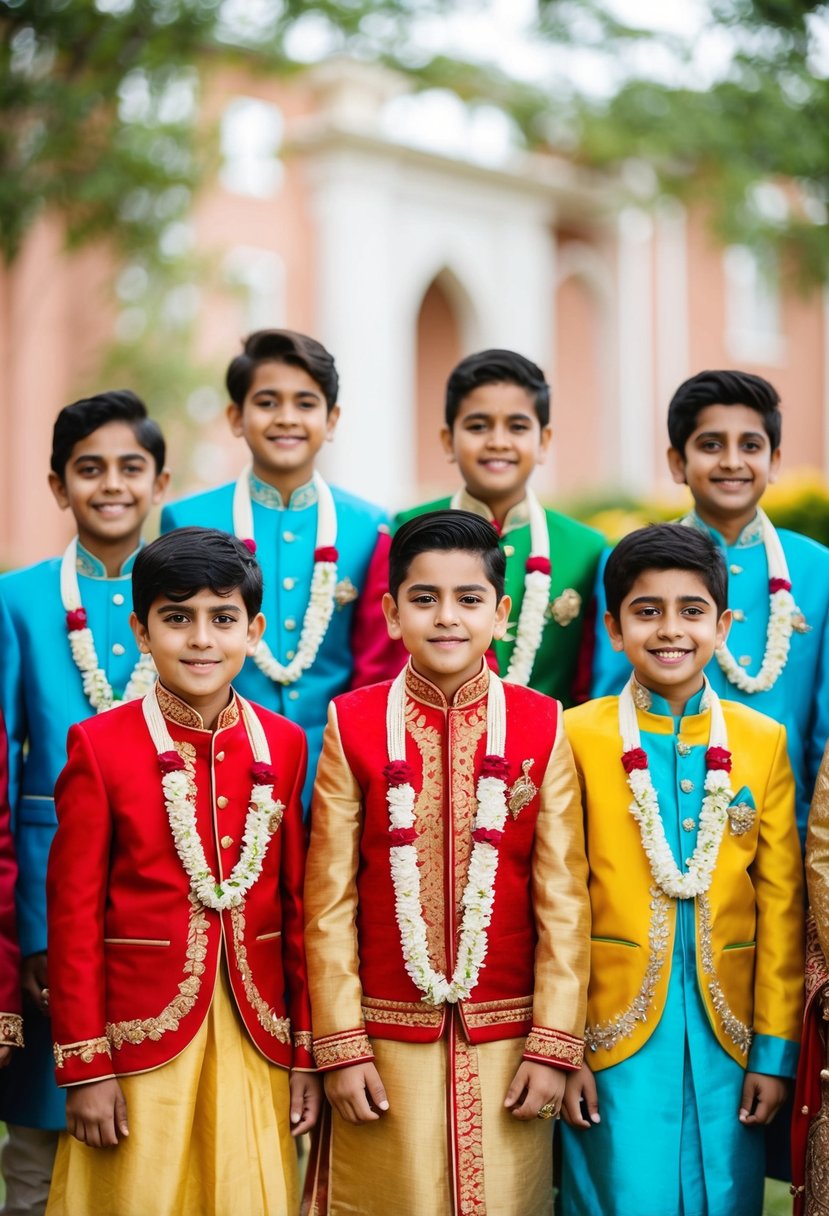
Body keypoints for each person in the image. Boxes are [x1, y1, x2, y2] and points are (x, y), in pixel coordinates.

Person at [302, 510, 590, 1216]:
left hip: (508, 1038)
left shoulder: (542, 722)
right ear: (390, 614)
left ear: (501, 611)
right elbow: (329, 898)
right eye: (423, 598)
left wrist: (553, 1045)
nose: (446, 618)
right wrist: (341, 1046)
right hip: (384, 1036)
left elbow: (564, 896)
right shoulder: (353, 722)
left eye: (468, 599)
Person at [44, 528, 319, 1216]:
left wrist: (307, 1052)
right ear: (141, 630)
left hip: (257, 1032)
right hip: (138, 1036)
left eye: (222, 619)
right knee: (138, 1192)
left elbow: (296, 908)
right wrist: (85, 1068)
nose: (201, 638)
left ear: (252, 630)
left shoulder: (282, 746)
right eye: (177, 617)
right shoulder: (101, 747)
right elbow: (74, 916)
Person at [561, 523, 805, 1216]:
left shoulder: (761, 742)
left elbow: (780, 906)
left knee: (724, 1196)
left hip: (730, 1043)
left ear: (723, 625)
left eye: (692, 611)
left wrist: (773, 1052)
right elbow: (556, 898)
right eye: (646, 611)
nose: (670, 630)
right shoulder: (574, 736)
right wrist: (562, 1046)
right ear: (612, 628)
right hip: (609, 1038)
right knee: (619, 1196)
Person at [0, 391, 168, 1215]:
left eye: (130, 468)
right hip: (47, 889)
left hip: (161, 889)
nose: (111, 485)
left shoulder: (186, 594)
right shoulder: (18, 599)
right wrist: (26, 932)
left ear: (159, 480)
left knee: (153, 1118)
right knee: (41, 1130)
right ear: (59, 487)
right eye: (89, 469)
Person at [160, 329, 403, 810]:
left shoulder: (370, 525)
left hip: (335, 772)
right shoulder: (187, 519)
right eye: (267, 402)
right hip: (217, 768)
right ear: (236, 416)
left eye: (306, 403)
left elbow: (376, 662)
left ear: (331, 420)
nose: (287, 418)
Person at [590, 369, 829, 846]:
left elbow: (824, 726)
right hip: (654, 817)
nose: (732, 461)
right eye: (711, 444)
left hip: (783, 823)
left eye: (751, 445)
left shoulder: (816, 569)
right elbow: (608, 693)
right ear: (677, 462)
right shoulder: (630, 564)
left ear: (775, 460)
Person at [395, 350, 604, 705]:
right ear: (448, 440)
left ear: (544, 441)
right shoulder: (405, 529)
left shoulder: (586, 548)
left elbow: (589, 681)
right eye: (478, 426)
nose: (498, 441)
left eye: (518, 427)